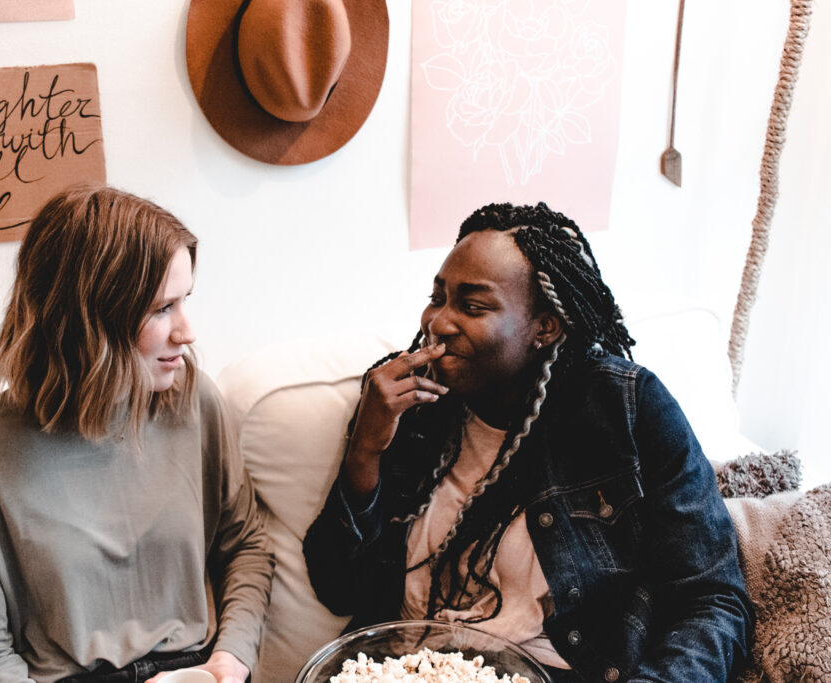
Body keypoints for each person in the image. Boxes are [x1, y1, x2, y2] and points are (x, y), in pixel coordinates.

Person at [303, 202, 753, 682]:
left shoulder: (625, 408)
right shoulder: (405, 404)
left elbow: (713, 601)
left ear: (545, 327)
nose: (438, 322)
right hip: (406, 668)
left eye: (473, 306)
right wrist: (365, 450)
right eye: (438, 297)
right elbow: (338, 589)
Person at [0, 185, 274, 683]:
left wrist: (230, 659)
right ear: (88, 320)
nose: (187, 331)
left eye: (185, 301)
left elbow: (244, 544)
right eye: (161, 309)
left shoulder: (193, 401)